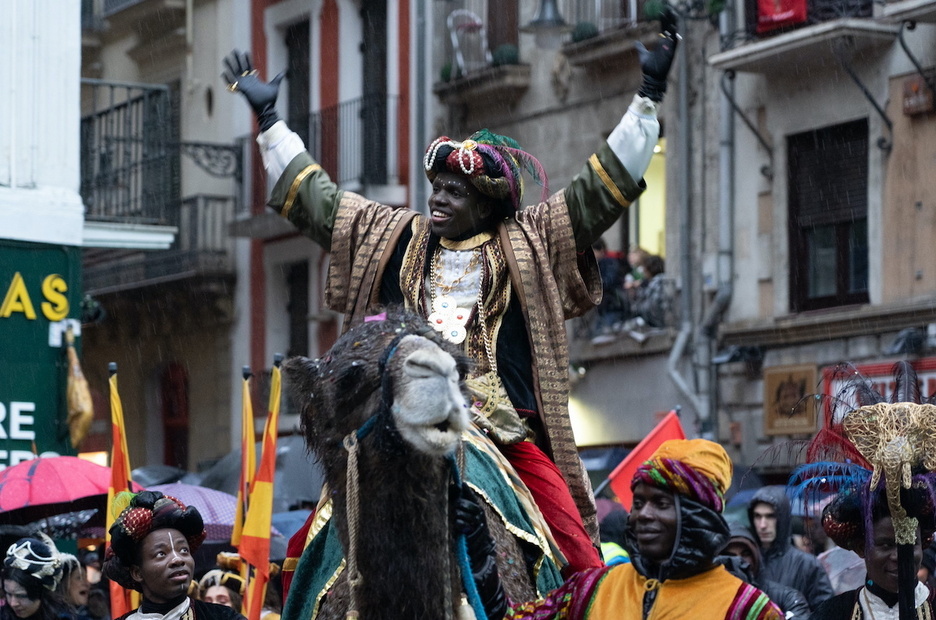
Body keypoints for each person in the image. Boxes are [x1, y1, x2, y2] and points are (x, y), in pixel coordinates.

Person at [223, 8, 678, 577]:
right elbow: (321, 203)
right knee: (309, 555)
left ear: (485, 204)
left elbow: (597, 191)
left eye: (454, 192)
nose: (437, 199)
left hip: (497, 425)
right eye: (436, 188)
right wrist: (269, 118)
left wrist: (649, 93)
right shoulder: (394, 237)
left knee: (578, 553)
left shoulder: (527, 240)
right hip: (400, 415)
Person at [505, 439, 783, 619]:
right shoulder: (591, 588)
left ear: (699, 517)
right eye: (638, 502)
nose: (643, 515)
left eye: (661, 503)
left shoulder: (748, 610)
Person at [101, 491, 243, 620]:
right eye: (161, 554)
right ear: (137, 572)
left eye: (183, 551)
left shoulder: (224, 617)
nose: (178, 559)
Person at [808, 484, 936, 618]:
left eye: (910, 543)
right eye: (886, 545)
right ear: (861, 547)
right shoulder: (833, 613)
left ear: (922, 545)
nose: (899, 556)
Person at [746, 486, 834, 611]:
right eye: (757, 516)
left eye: (770, 516)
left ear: (782, 518)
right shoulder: (745, 560)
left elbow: (825, 612)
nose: (763, 525)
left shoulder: (808, 565)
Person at [720, 523, 810, 618]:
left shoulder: (788, 599)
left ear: (756, 557)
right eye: (731, 556)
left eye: (745, 554)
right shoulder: (710, 599)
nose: (739, 561)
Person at [2, 537, 73, 620]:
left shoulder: (63, 617)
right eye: (9, 594)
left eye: (21, 595)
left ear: (40, 592)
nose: (13, 603)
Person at [56, 555, 94, 620]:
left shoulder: (91, 614)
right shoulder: (53, 616)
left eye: (86, 578)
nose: (87, 583)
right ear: (64, 583)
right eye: (79, 578)